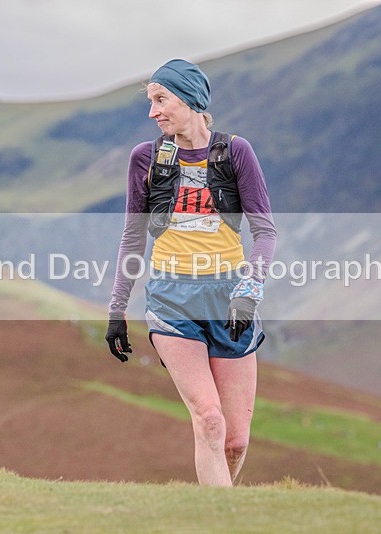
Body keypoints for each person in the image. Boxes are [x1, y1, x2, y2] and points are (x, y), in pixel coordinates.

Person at [105, 59, 276, 487]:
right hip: (171, 300)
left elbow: (265, 233)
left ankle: (213, 507)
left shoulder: (236, 152)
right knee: (210, 421)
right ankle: (221, 518)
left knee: (235, 441)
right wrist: (116, 310)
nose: (153, 112)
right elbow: (132, 239)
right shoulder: (146, 158)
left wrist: (249, 292)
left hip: (230, 299)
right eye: (151, 102)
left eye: (160, 100)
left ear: (190, 100)